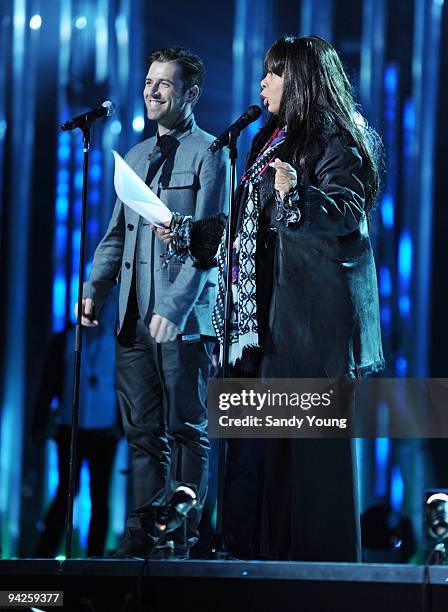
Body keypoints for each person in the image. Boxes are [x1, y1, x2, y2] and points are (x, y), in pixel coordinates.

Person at [155, 35, 384, 561]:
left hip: (303, 332)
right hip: (257, 331)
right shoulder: (266, 140)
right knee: (254, 469)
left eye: (275, 73)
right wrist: (188, 231)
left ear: (300, 80)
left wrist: (296, 194)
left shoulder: (334, 141)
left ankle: (308, 584)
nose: (263, 83)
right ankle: (248, 567)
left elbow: (345, 211)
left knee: (302, 476)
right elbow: (246, 229)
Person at [79, 47, 229, 558]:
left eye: (164, 83)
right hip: (131, 317)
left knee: (185, 428)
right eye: (149, 81)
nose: (152, 90)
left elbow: (211, 242)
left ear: (191, 93)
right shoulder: (138, 156)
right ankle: (143, 540)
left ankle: (181, 539)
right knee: (143, 435)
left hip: (179, 321)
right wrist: (94, 287)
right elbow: (115, 234)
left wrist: (177, 306)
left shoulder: (212, 154)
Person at [32, 302, 120, 558]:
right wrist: (38, 425)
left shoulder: (115, 343)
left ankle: (95, 558)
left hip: (105, 432)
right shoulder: (64, 340)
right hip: (71, 429)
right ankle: (44, 555)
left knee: (100, 497)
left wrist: (122, 428)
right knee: (65, 494)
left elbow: (124, 389)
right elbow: (47, 385)